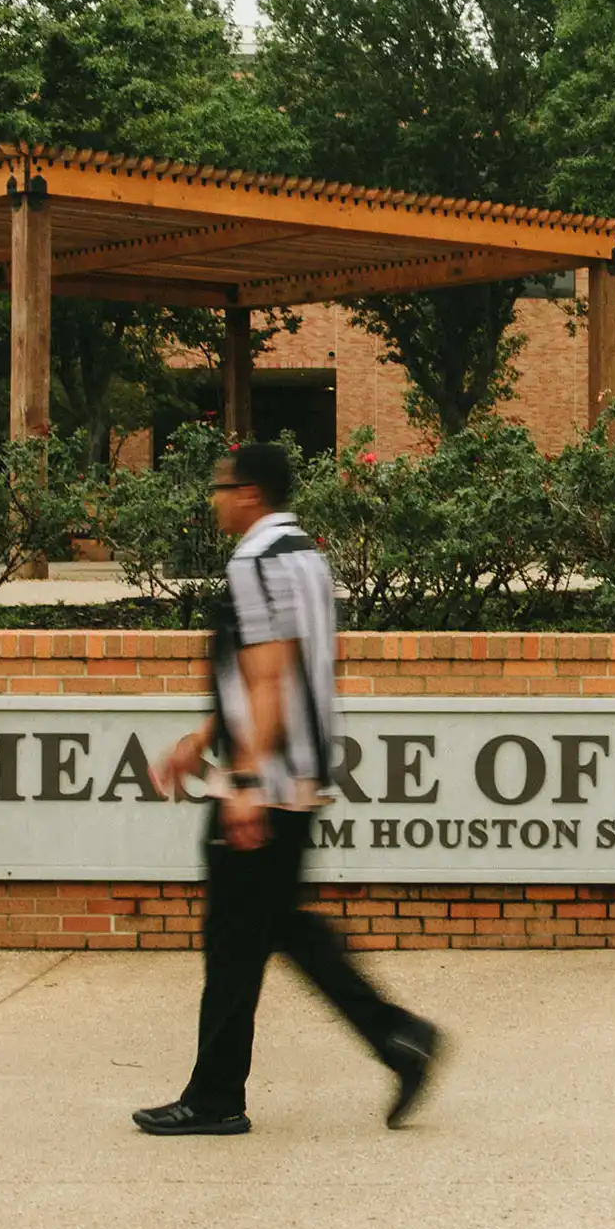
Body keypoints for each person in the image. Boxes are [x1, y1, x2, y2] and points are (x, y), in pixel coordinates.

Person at [133, 443, 438, 1136]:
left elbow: (268, 676)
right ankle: (400, 1040)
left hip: (261, 786)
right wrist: (201, 740)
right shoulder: (307, 557)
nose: (215, 499)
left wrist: (242, 779)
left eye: (222, 488)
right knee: (279, 928)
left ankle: (216, 1099)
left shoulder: (253, 561)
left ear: (250, 494)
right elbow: (275, 669)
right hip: (298, 778)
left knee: (235, 941)